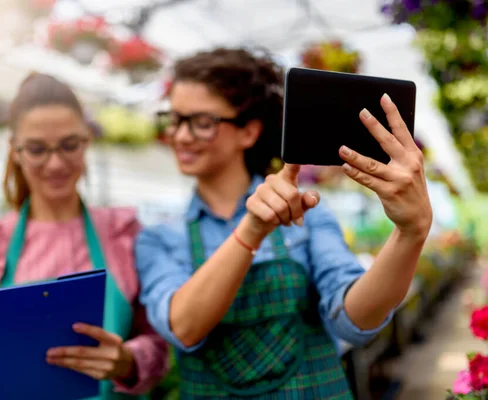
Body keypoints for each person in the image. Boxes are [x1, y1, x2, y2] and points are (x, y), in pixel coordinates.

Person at [135, 48, 433, 399]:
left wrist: (409, 233)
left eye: (201, 123)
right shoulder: (158, 237)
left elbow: (356, 321)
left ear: (249, 132)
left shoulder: (307, 212)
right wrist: (251, 229)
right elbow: (183, 328)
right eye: (174, 119)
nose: (181, 136)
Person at [0, 73, 168, 399]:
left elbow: (157, 342)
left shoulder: (123, 232)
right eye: (37, 149)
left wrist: (128, 360)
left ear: (87, 141)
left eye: (69, 145)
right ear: (15, 151)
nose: (55, 164)